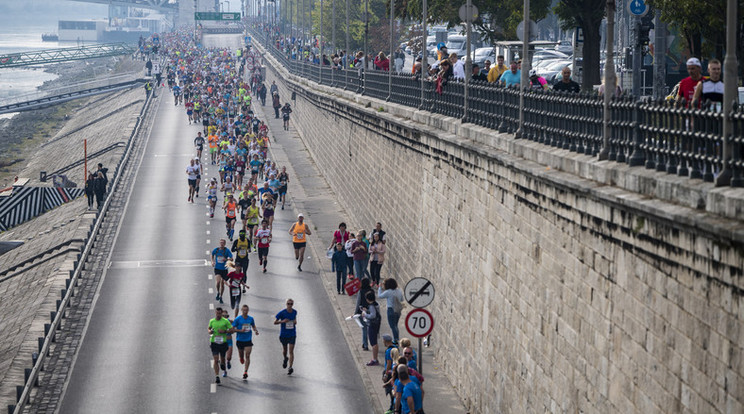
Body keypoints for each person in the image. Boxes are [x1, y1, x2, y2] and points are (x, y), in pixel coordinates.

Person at [232, 304, 259, 380]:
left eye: (246, 310)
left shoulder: (251, 319)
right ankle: (241, 358)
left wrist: (255, 330)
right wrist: (240, 330)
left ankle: (245, 372)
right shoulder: (237, 319)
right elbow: (232, 329)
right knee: (241, 355)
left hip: (248, 340)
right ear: (241, 310)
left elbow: (253, 326)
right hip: (240, 340)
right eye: (244, 310)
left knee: (247, 355)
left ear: (248, 310)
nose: (245, 311)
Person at [208, 307, 232, 384]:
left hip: (223, 343)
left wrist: (224, 331)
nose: (218, 314)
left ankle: (222, 364)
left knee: (222, 359)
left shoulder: (225, 321)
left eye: (219, 313)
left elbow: (231, 330)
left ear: (221, 313)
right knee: (215, 359)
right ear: (215, 313)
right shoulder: (212, 321)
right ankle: (217, 376)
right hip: (214, 342)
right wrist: (210, 331)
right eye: (217, 313)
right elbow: (209, 328)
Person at [274, 298, 297, 375]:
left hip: (292, 334)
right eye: (288, 304)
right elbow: (275, 322)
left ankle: (290, 367)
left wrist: (294, 322)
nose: (290, 305)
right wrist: (282, 321)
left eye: (291, 304)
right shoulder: (282, 313)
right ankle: (285, 358)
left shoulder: (294, 312)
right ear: (286, 304)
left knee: (291, 351)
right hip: (284, 334)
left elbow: (295, 320)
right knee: (285, 350)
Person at [378, 278, 404, 343]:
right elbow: (401, 299)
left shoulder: (388, 292)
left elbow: (380, 296)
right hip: (398, 310)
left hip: (391, 309)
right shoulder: (399, 291)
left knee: (392, 326)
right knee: (395, 325)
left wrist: (380, 288)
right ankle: (396, 338)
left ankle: (396, 339)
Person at [361, 291, 382, 366]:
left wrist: (365, 314)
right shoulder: (376, 304)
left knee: (373, 342)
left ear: (367, 299)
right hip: (376, 324)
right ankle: (374, 358)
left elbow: (373, 315)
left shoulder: (371, 306)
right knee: (374, 342)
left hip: (372, 325)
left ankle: (374, 359)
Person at [355, 277, 374, 351]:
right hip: (370, 311)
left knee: (364, 329)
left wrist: (355, 312)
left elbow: (358, 302)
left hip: (362, 311)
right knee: (370, 328)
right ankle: (372, 343)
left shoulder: (361, 291)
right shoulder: (371, 290)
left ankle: (365, 344)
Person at [212, 239, 233, 304]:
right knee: (218, 282)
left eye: (223, 243)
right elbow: (212, 254)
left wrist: (226, 259)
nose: (221, 244)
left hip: (224, 269)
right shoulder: (216, 250)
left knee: (222, 284)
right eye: (221, 242)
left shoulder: (227, 250)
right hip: (217, 268)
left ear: (225, 244)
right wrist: (213, 261)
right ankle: (218, 292)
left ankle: (221, 296)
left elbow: (231, 258)